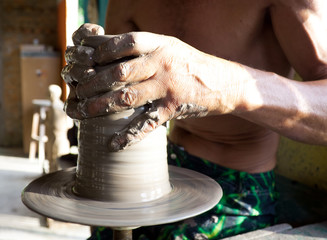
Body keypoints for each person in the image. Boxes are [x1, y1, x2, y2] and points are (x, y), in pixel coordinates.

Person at [61, 1, 327, 239]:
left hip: (237, 189)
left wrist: (215, 81)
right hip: (159, 171)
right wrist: (91, 84)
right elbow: (118, 91)